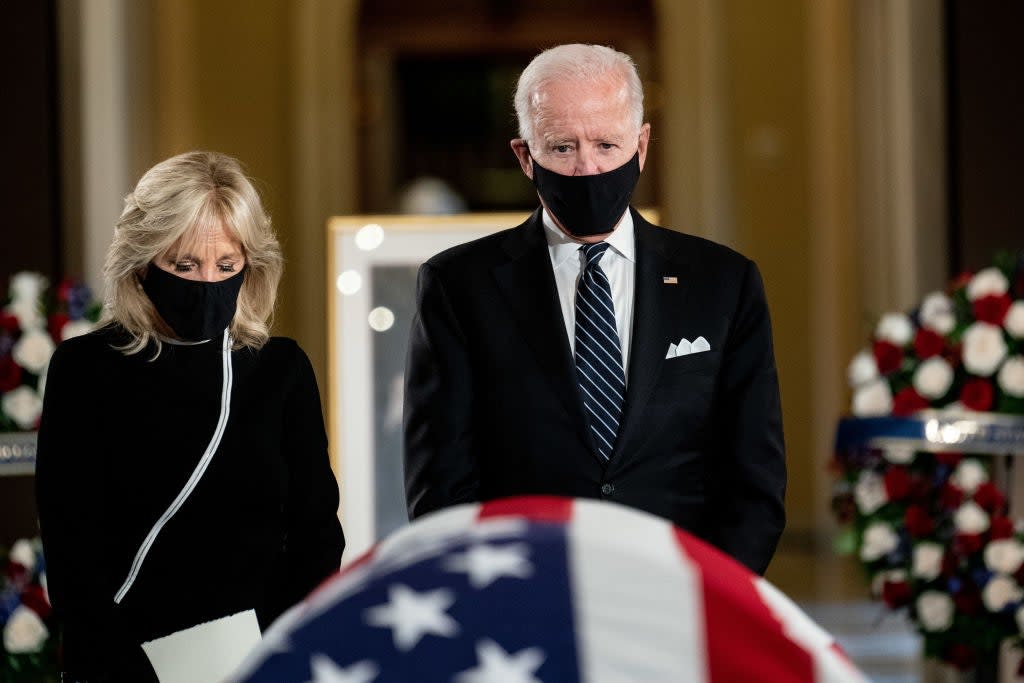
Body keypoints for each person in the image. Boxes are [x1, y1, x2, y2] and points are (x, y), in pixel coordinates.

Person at [404, 44, 786, 574]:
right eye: (562, 148)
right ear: (524, 155)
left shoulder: (723, 282)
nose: (588, 167)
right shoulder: (457, 287)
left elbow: (754, 476)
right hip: (522, 601)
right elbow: (441, 483)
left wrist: (712, 597)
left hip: (680, 594)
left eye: (607, 144)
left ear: (642, 145)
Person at [35, 151, 345, 681]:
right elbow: (71, 549)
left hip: (255, 657)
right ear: (142, 260)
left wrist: (277, 646)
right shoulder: (85, 369)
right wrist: (118, 661)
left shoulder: (280, 370)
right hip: (123, 658)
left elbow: (317, 535)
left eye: (227, 266)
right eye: (184, 265)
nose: (207, 283)